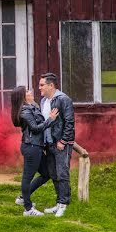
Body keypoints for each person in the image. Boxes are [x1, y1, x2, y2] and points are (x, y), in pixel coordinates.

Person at [30, 72, 75, 218]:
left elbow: (69, 122)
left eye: (42, 85)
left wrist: (63, 141)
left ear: (51, 85)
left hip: (60, 143)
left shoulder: (63, 99)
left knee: (62, 173)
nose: (39, 88)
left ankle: (64, 204)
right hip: (48, 144)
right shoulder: (44, 101)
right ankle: (58, 203)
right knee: (54, 174)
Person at [10, 86, 58, 217]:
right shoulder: (25, 111)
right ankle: (28, 209)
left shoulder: (31, 106)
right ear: (23, 97)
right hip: (32, 147)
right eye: (27, 91)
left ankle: (22, 198)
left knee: (46, 173)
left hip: (36, 146)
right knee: (27, 177)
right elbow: (36, 129)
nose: (30, 92)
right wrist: (50, 120)